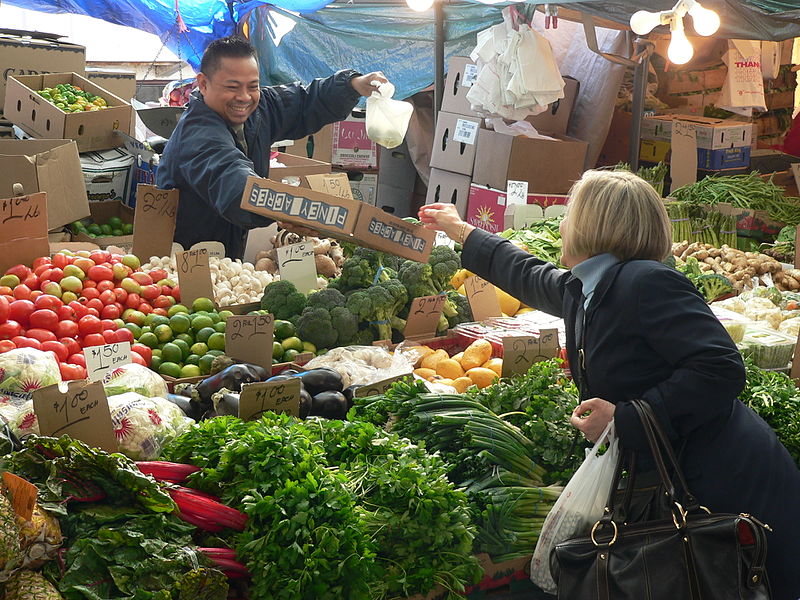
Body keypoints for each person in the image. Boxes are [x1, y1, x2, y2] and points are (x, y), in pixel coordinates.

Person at [419, 169, 800, 600]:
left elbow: (719, 367)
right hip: (681, 471)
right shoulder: (587, 287)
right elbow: (528, 273)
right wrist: (461, 231)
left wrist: (626, 417)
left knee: (743, 582)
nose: (562, 224)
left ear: (591, 226)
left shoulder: (648, 283)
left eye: (569, 215)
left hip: (724, 478)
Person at [157, 35, 387, 259]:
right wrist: (291, 209)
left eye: (253, 86)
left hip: (226, 251)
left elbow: (304, 101)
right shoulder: (198, 134)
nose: (244, 97)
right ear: (203, 84)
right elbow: (233, 182)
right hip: (186, 259)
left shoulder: (257, 109)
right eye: (233, 87)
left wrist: (353, 85)